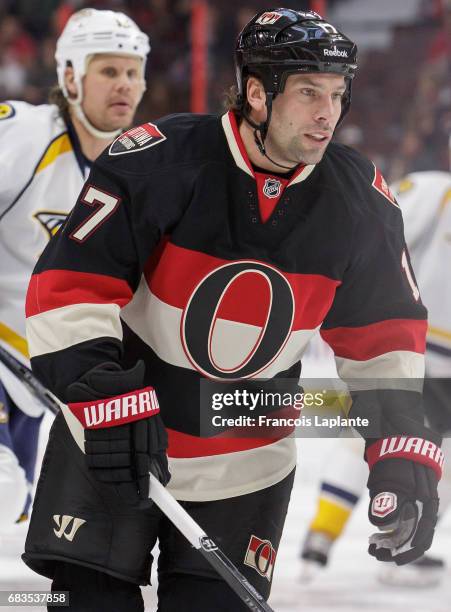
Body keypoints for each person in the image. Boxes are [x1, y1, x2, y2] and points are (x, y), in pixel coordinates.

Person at [22, 9, 443, 612]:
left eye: (336, 94)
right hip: (118, 444)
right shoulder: (157, 160)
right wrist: (102, 396)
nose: (327, 113)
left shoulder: (360, 203)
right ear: (256, 93)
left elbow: (384, 340)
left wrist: (403, 451)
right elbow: (69, 285)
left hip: (248, 464)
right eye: (306, 93)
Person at [0, 8, 150, 527]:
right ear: (69, 76)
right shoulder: (22, 136)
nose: (125, 85)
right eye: (109, 71)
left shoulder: (142, 169)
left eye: (133, 72)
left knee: (12, 502)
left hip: (36, 377)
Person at [300, 169, 451, 587]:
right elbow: (380, 237)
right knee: (377, 440)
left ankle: (394, 543)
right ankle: (326, 536)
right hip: (411, 351)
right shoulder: (435, 191)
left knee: (428, 457)